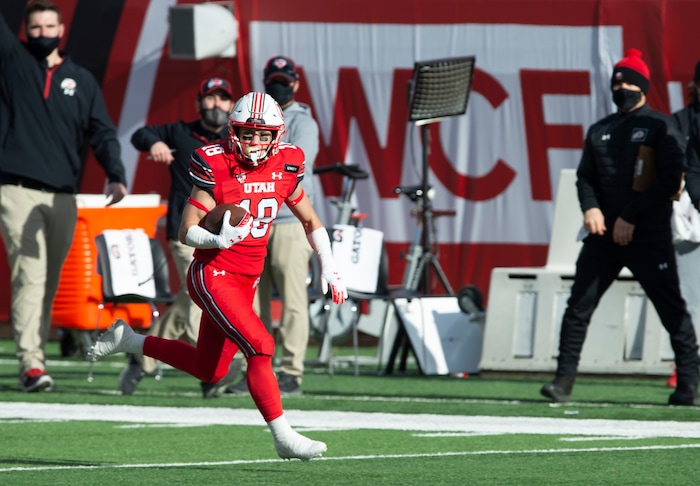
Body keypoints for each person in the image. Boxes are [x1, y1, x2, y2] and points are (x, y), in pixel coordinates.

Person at [89, 91, 347, 460]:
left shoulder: (287, 163)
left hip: (247, 279)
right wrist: (217, 239)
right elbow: (186, 230)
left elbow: (309, 219)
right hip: (212, 273)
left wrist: (330, 264)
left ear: (277, 135)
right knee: (261, 345)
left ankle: (131, 341)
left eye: (262, 135)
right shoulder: (217, 163)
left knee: (209, 370)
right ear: (232, 131)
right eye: (247, 133)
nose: (254, 142)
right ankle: (284, 437)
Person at [539, 48, 700, 406]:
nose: (621, 88)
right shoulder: (600, 130)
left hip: (647, 235)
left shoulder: (661, 126)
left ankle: (688, 384)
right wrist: (591, 208)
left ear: (643, 86)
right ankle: (562, 381)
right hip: (603, 236)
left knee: (671, 308)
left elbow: (670, 179)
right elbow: (585, 177)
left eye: (628, 82)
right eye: (617, 83)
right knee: (578, 306)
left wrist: (631, 216)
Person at [0, 0, 127, 392]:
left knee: (47, 283)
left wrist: (116, 174)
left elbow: (102, 132)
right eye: (35, 27)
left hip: (63, 198)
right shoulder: (13, 61)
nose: (42, 33)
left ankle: (34, 358)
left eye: (49, 26)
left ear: (61, 29)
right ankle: (31, 365)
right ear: (25, 31)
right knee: (30, 276)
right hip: (16, 191)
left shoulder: (81, 80)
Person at [124, 77, 238, 398]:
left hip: (225, 235)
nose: (216, 104)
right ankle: (210, 375)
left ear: (232, 105)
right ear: (199, 103)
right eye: (210, 98)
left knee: (189, 299)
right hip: (187, 231)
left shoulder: (235, 140)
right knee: (201, 297)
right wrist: (154, 144)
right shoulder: (179, 132)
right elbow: (139, 135)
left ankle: (141, 356)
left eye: (223, 98)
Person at [228, 55, 320, 396]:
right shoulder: (254, 119)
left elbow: (292, 168)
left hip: (288, 221)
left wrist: (256, 161)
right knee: (252, 302)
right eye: (273, 81)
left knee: (293, 299)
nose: (278, 86)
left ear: (295, 84)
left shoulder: (303, 122)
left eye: (284, 81)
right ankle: (255, 368)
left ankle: (292, 371)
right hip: (251, 220)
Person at [668, 60, 700, 389]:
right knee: (688, 297)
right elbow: (684, 166)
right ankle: (686, 365)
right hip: (692, 221)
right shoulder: (680, 121)